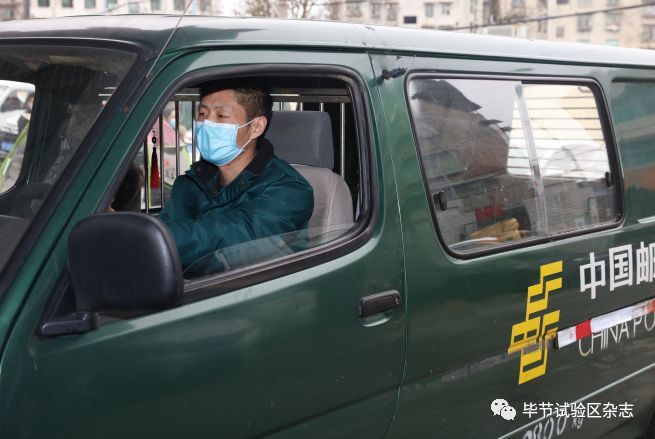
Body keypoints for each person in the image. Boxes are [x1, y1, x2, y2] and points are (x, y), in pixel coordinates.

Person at [159, 82, 314, 269]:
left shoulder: (291, 190)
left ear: (256, 127)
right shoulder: (188, 185)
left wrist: (151, 239)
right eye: (202, 114)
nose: (207, 124)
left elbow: (234, 234)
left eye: (221, 115)